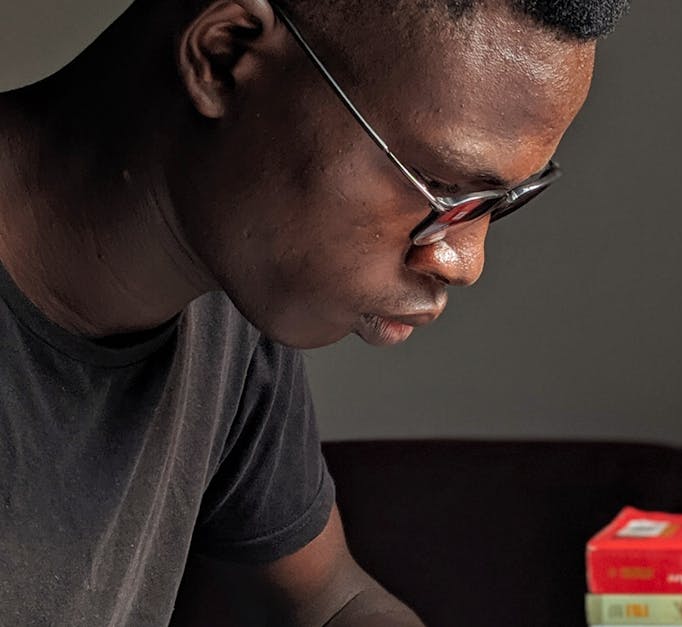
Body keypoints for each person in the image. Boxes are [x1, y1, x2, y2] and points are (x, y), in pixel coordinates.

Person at [0, 0, 627, 623]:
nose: (464, 261)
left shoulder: (232, 302)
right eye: (441, 185)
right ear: (224, 56)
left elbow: (335, 604)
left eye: (498, 202)